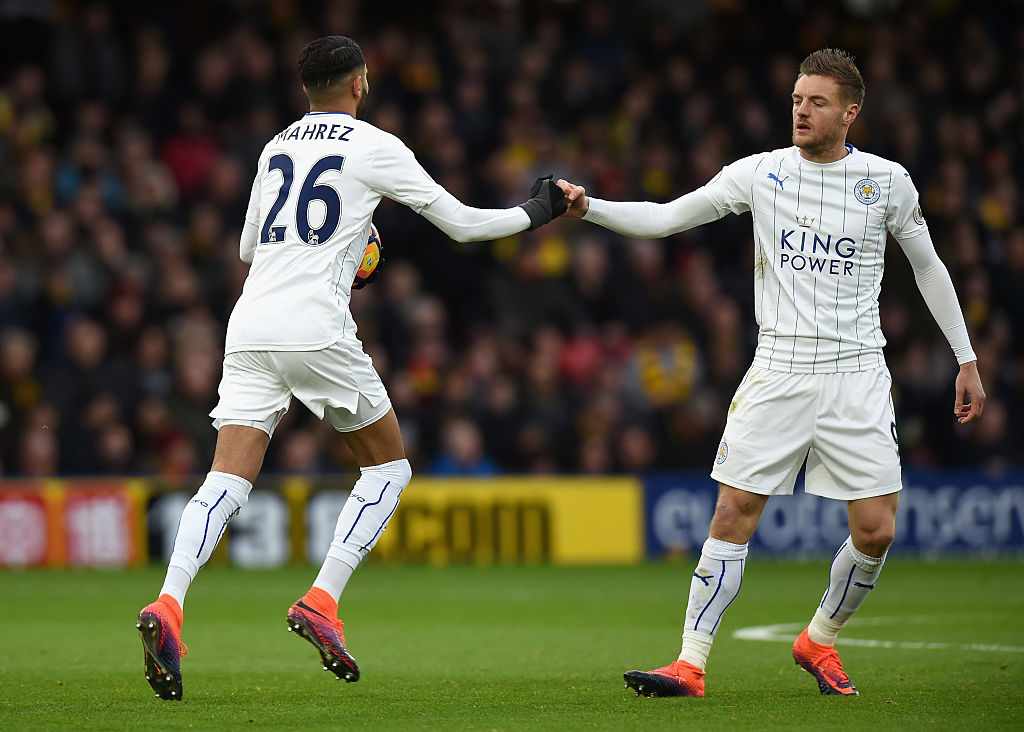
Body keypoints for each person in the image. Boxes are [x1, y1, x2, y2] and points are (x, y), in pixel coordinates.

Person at [135, 35, 567, 701]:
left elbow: (249, 246)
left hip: (250, 324)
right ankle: (322, 600)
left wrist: (343, 241)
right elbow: (462, 225)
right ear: (360, 83)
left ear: (305, 88)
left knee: (225, 477)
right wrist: (540, 209)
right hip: (315, 324)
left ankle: (169, 603)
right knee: (388, 468)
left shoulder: (275, 146)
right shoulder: (375, 146)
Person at [556, 48, 985, 698]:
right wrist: (591, 208)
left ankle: (819, 638)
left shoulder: (886, 182)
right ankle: (690, 663)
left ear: (850, 112)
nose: (802, 112)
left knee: (877, 531)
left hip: (857, 373)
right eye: (796, 100)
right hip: (779, 368)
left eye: (817, 102)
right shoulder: (761, 174)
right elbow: (668, 217)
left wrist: (966, 357)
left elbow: (928, 266)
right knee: (733, 510)